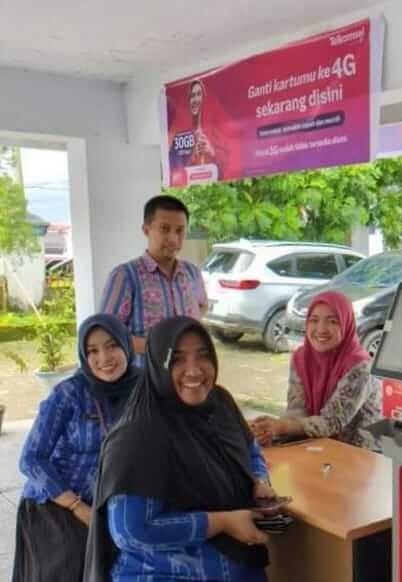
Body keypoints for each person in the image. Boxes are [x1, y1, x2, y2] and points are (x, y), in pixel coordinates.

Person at [84, 316, 276, 582]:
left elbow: (250, 449)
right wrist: (223, 522)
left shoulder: (219, 403)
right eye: (177, 359)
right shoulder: (137, 437)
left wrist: (259, 480)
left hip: (240, 567)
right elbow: (131, 531)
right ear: (158, 364)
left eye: (203, 355)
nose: (194, 371)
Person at [12, 314, 141, 582]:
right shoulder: (69, 393)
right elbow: (31, 459)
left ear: (126, 345)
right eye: (92, 351)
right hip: (56, 501)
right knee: (73, 564)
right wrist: (77, 506)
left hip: (111, 503)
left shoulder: (143, 389)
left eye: (112, 345)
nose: (104, 358)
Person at [251, 291, 382, 448]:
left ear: (346, 324)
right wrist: (270, 431)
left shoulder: (360, 366)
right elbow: (297, 410)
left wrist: (283, 427)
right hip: (315, 445)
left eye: (332, 321)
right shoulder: (301, 358)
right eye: (314, 320)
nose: (321, 329)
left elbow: (332, 421)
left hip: (359, 452)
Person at [100, 195, 207, 359]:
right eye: (165, 229)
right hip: (143, 373)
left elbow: (202, 305)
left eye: (180, 230)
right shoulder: (125, 276)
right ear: (146, 230)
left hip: (187, 371)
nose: (173, 239)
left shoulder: (192, 273)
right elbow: (106, 334)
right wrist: (157, 346)